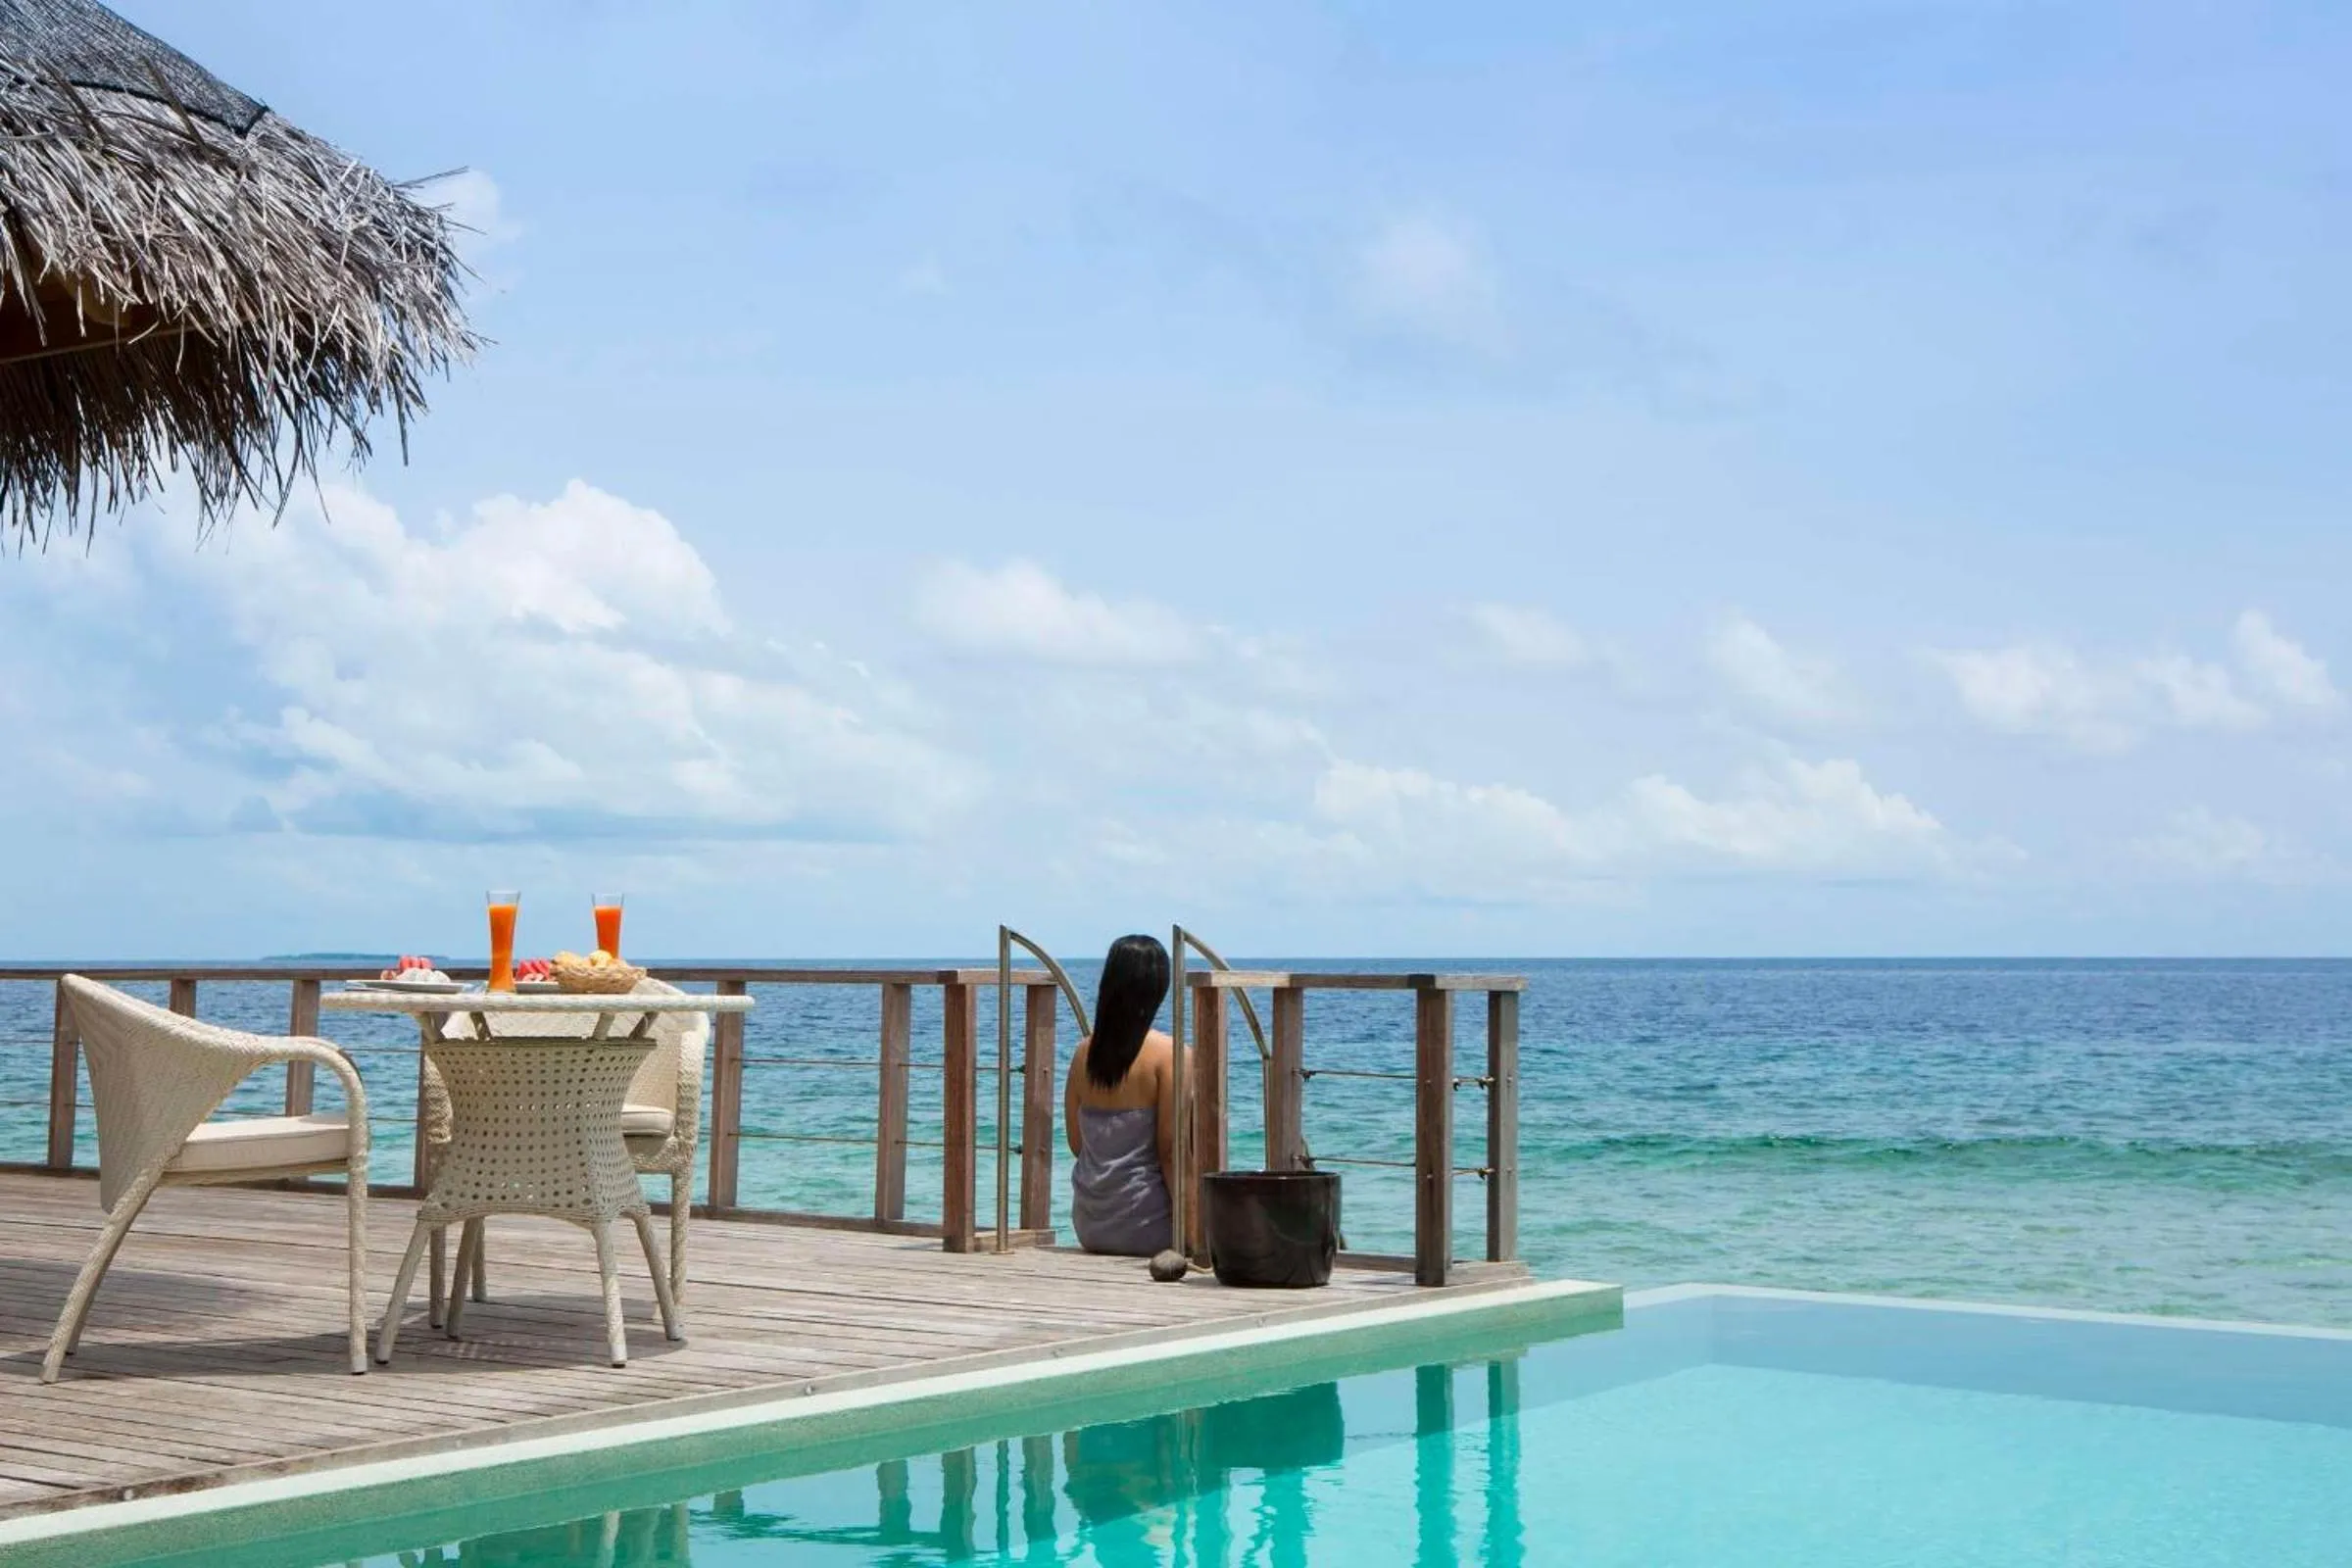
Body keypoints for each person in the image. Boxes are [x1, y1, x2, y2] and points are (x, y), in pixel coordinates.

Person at [1065, 933, 1179, 1256]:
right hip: (1151, 1228)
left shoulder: (1082, 1054)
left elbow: (1077, 1144)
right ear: (1159, 986)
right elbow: (1171, 1153)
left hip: (1090, 1227)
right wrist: (1195, 1230)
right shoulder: (1170, 1056)